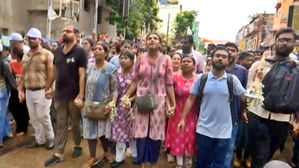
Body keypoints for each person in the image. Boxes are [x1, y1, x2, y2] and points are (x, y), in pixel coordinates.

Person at [178, 46, 246, 168]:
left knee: (219, 163)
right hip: (203, 129)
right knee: (201, 162)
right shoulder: (201, 78)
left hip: (224, 131)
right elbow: (191, 99)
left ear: (228, 60)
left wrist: (245, 110)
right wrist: (183, 118)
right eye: (218, 56)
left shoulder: (232, 80)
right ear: (212, 58)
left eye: (224, 57)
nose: (220, 58)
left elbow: (245, 98)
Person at [246, 28, 297, 168]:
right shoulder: (258, 65)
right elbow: (249, 89)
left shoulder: (296, 68)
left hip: (282, 120)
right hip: (258, 117)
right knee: (259, 157)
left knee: (269, 156)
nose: (284, 43)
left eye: (288, 40)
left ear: (294, 44)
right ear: (275, 42)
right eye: (281, 40)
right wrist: (257, 84)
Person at [124, 33, 176, 168]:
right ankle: (142, 162)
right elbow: (135, 80)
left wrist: (172, 103)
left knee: (156, 133)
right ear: (146, 43)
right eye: (149, 38)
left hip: (159, 102)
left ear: (160, 43)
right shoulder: (140, 58)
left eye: (155, 38)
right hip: (142, 100)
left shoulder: (166, 60)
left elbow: (169, 83)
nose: (152, 40)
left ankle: (153, 163)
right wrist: (126, 96)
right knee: (141, 132)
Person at [44, 24, 87, 166]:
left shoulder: (80, 52)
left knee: (75, 123)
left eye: (68, 31)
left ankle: (78, 145)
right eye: (63, 31)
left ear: (75, 34)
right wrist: (48, 87)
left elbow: (82, 76)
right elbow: (54, 71)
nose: (64, 33)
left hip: (74, 96)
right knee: (61, 124)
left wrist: (81, 95)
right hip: (60, 95)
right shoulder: (58, 52)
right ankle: (59, 153)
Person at [81, 42, 118, 168]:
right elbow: (84, 83)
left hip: (104, 106)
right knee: (89, 131)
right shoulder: (90, 67)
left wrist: (112, 104)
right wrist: (81, 98)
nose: (96, 51)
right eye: (95, 49)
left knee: (103, 132)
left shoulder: (111, 69)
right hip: (90, 105)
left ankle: (107, 152)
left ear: (106, 53)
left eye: (100, 49)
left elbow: (115, 89)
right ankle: (92, 156)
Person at [18, 27, 55, 150]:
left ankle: (50, 138)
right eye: (29, 38)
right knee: (33, 118)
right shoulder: (26, 55)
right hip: (29, 91)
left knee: (43, 116)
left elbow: (52, 73)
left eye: (34, 38)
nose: (31, 40)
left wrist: (51, 88)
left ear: (39, 39)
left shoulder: (47, 54)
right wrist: (20, 90)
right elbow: (23, 75)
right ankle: (39, 139)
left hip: (42, 90)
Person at [165, 56, 198, 168]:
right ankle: (179, 163)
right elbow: (167, 94)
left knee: (190, 136)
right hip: (177, 111)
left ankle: (188, 160)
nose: (185, 63)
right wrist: (169, 107)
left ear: (194, 65)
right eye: (183, 61)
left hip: (192, 112)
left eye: (189, 61)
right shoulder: (174, 77)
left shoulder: (198, 79)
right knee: (178, 136)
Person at [111, 50, 137, 168]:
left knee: (133, 132)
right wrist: (115, 102)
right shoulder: (117, 73)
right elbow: (115, 89)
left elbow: (141, 92)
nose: (122, 60)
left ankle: (136, 156)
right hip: (119, 107)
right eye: (121, 58)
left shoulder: (136, 74)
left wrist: (129, 100)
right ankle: (119, 157)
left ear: (132, 61)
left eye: (126, 58)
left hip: (133, 107)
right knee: (119, 132)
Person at [224, 42, 248, 168]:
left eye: (232, 50)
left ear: (237, 54)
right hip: (215, 115)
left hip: (233, 115)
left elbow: (245, 94)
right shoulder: (214, 69)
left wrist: (243, 112)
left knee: (229, 147)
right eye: (227, 49)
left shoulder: (243, 71)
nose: (229, 52)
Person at [9, 46, 29, 137]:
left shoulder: (26, 64)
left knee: (23, 108)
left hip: (24, 88)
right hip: (14, 89)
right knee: (13, 106)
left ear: (16, 54)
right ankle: (19, 124)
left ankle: (23, 128)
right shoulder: (11, 64)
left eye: (12, 53)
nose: (11, 54)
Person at [0, 43, 16, 148]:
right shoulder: (4, 64)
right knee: (1, 114)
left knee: (3, 112)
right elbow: (11, 80)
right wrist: (17, 88)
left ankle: (7, 132)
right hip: (2, 91)